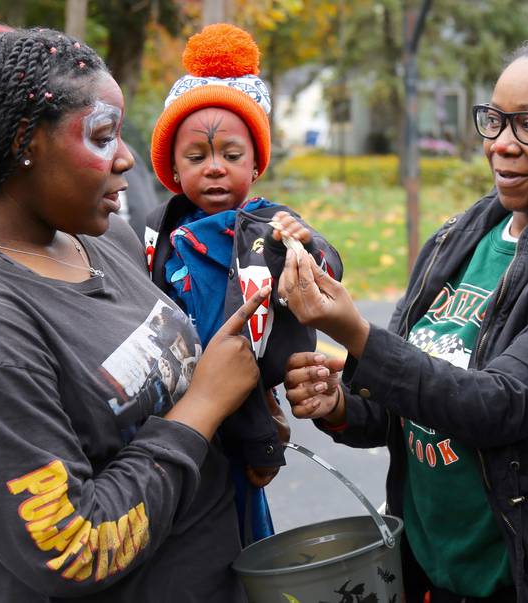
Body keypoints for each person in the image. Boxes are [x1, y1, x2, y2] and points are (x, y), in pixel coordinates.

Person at [278, 25, 528, 603]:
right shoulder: (456, 240)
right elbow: (408, 411)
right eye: (495, 119)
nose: (501, 144)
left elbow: (498, 406)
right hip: (437, 575)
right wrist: (340, 405)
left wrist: (354, 333)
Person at [0, 28, 271, 602]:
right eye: (104, 136)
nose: (128, 158)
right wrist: (205, 406)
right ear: (23, 143)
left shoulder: (102, 239)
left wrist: (245, 412)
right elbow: (75, 547)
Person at [145, 23, 343, 545]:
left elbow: (328, 268)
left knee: (241, 524)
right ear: (172, 168)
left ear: (255, 163)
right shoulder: (159, 229)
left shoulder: (270, 223)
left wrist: (304, 247)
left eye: (231, 156)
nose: (215, 169)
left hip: (246, 392)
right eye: (197, 157)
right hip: (179, 403)